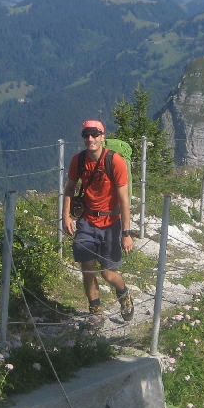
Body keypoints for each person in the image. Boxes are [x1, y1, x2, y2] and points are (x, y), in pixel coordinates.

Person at [62, 120, 135, 321]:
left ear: (103, 136)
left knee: (108, 273)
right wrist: (65, 216)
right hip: (87, 222)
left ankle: (123, 293)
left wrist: (126, 234)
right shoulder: (78, 160)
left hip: (111, 223)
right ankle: (96, 311)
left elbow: (123, 199)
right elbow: (69, 189)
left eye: (95, 134)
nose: (90, 139)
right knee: (87, 270)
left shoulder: (116, 161)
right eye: (86, 135)